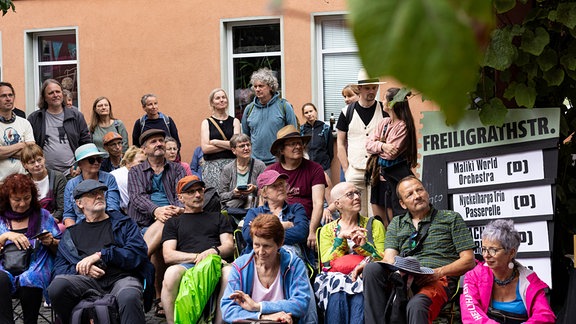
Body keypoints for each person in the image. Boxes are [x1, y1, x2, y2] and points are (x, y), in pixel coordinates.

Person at [362, 176, 476, 324]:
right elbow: (389, 259)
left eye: (420, 190)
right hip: (405, 277)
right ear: (403, 204)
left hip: (438, 279)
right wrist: (367, 262)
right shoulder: (397, 223)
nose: (417, 196)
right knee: (372, 270)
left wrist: (438, 272)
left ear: (427, 193)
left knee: (417, 306)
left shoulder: (450, 218)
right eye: (410, 194)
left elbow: (469, 260)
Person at [48, 180, 153, 324]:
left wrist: (102, 255)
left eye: (101, 193)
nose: (98, 196)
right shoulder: (71, 234)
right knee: (57, 286)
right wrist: (83, 269)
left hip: (121, 278)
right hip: (86, 282)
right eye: (92, 194)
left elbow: (137, 254)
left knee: (129, 295)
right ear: (79, 203)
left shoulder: (124, 223)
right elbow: (58, 270)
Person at [161, 175, 234, 324]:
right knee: (170, 273)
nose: (197, 195)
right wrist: (198, 257)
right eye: (191, 192)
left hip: (216, 262)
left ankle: (219, 322)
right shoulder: (173, 222)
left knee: (230, 273)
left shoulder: (218, 217)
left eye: (200, 190)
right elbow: (168, 255)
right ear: (180, 198)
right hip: (187, 265)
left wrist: (213, 251)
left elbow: (228, 245)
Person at [127, 129, 186, 314]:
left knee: (166, 225)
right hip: (144, 222)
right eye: (153, 142)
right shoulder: (136, 171)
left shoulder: (177, 168)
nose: (159, 143)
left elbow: (181, 193)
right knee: (161, 244)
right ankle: (161, 298)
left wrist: (177, 208)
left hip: (175, 219)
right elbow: (136, 197)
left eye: (161, 140)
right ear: (144, 149)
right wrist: (156, 210)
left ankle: (134, 267)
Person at [221, 213, 316, 324]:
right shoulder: (241, 266)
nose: (260, 252)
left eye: (266, 246)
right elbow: (227, 309)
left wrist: (258, 306)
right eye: (256, 245)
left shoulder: (294, 264)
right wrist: (264, 317)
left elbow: (300, 304)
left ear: (280, 243)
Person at [314, 182, 385, 324]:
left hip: (364, 276)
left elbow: (383, 259)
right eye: (350, 194)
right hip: (334, 279)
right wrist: (341, 239)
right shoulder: (327, 230)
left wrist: (363, 246)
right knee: (337, 292)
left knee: (359, 294)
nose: (357, 197)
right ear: (338, 204)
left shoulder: (374, 224)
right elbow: (326, 263)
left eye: (357, 193)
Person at [460, 219, 556, 323]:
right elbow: (470, 314)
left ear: (511, 253)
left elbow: (545, 316)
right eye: (484, 249)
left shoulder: (529, 280)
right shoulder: (474, 276)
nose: (486, 255)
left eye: (493, 250)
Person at [0, 174, 60, 324]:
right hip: (4, 265)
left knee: (30, 278)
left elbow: (63, 248)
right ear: (7, 198)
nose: (22, 204)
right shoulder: (1, 218)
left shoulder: (43, 216)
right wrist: (5, 236)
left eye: (26, 198)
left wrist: (51, 241)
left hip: (37, 263)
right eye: (17, 200)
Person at [335, 69, 388, 216]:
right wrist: (346, 169)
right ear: (359, 89)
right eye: (367, 88)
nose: (372, 91)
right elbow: (340, 142)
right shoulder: (347, 112)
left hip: (378, 170)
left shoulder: (384, 110)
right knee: (355, 214)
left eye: (374, 87)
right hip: (354, 170)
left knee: (377, 216)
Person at [266, 125, 326, 250]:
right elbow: (264, 202)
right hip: (278, 221)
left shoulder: (315, 169)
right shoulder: (271, 171)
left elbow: (318, 202)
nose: (298, 147)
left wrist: (313, 231)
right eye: (292, 144)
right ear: (281, 150)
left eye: (299, 143)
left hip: (305, 223)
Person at [366, 88, 417, 227]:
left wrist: (378, 147)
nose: (382, 101)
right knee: (379, 220)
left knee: (394, 218)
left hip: (394, 178)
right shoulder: (384, 123)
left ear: (392, 103)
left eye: (384, 99)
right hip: (378, 176)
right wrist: (383, 146)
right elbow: (367, 145)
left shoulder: (403, 126)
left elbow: (391, 155)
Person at [242, 170, 312, 264]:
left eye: (282, 184)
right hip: (259, 259)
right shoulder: (254, 213)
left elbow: (301, 232)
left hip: (291, 259)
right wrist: (282, 226)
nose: (280, 188)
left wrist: (262, 231)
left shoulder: (296, 208)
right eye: (274, 186)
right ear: (264, 193)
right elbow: (248, 236)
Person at [27, 79, 91, 177]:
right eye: (51, 93)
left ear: (62, 94)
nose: (55, 95)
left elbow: (86, 143)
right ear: (44, 97)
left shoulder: (76, 116)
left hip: (72, 173)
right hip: (45, 174)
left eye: (58, 91)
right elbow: (30, 147)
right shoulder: (35, 118)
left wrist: (80, 165)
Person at [241, 68, 299, 166]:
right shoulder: (249, 109)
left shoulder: (284, 106)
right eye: (255, 87)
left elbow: (293, 135)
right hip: (255, 162)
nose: (257, 89)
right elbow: (246, 137)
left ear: (271, 87)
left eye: (261, 86)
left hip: (279, 161)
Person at [63, 143, 120, 226]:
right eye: (91, 160)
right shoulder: (71, 184)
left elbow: (113, 209)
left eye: (99, 159)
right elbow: (69, 215)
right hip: (80, 229)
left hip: (106, 225)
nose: (96, 163)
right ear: (80, 164)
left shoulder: (109, 179)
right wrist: (74, 235)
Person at [200, 88, 241, 188]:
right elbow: (205, 149)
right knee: (214, 199)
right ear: (212, 103)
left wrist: (215, 142)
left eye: (223, 97)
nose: (222, 100)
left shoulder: (234, 121)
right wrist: (229, 145)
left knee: (232, 196)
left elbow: (237, 144)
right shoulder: (206, 123)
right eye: (218, 98)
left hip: (231, 164)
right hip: (211, 167)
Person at [21, 143, 67, 231]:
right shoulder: (23, 181)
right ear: (24, 165)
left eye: (39, 160)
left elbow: (62, 208)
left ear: (44, 158)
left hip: (54, 220)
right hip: (30, 222)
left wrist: (48, 223)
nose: (37, 164)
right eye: (32, 162)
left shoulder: (58, 177)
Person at [219, 134, 266, 217]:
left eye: (248, 145)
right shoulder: (227, 169)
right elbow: (221, 196)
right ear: (234, 150)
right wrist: (233, 193)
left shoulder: (260, 166)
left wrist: (254, 189)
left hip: (254, 210)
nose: (246, 148)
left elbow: (267, 190)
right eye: (242, 146)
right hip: (233, 211)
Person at [0, 81, 36, 182]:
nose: (8, 99)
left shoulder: (25, 123)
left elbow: (31, 153)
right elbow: (26, 149)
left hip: (24, 181)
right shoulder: (21, 144)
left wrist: (4, 151)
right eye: (3, 96)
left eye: (10, 95)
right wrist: (21, 145)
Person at [110, 146, 146, 214]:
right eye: (141, 162)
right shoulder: (119, 176)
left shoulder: (138, 175)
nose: (144, 165)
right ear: (128, 162)